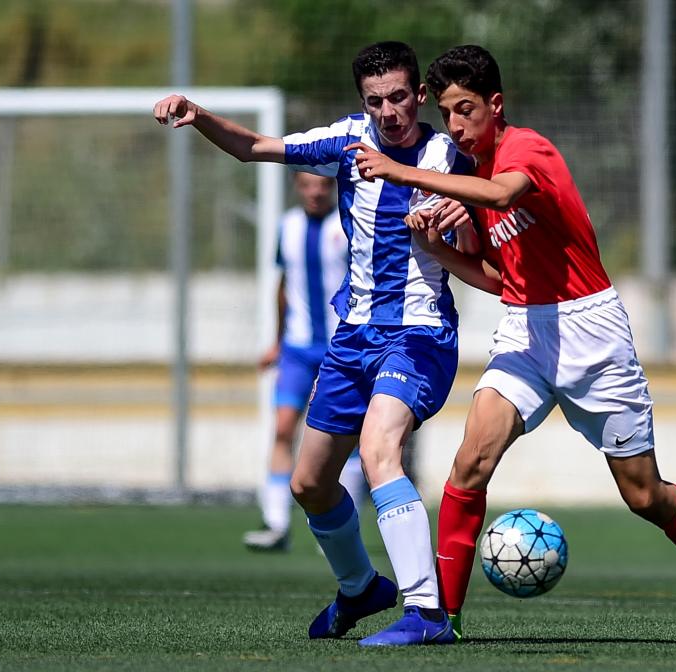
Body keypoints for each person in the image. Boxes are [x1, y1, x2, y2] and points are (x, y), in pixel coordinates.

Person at [347, 44, 676, 640]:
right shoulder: (468, 176)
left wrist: (402, 172)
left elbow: (504, 195)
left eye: (466, 109)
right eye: (447, 113)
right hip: (524, 329)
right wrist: (436, 250)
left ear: (495, 105)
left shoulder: (526, 150)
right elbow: (498, 279)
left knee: (642, 494)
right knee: (470, 463)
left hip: (592, 332)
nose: (455, 125)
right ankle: (441, 618)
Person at [153, 41, 474, 647]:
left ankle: (427, 611)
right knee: (308, 484)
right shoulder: (346, 142)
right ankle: (360, 587)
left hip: (418, 334)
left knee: (380, 450)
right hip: (351, 337)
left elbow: (499, 202)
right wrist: (199, 116)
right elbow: (254, 148)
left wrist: (463, 217)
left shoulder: (452, 156)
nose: (389, 112)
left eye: (399, 97)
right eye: (376, 101)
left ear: (420, 94)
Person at [242, 172, 366, 552]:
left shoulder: (348, 224)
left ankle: (342, 527)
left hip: (340, 348)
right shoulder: (288, 226)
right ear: (297, 186)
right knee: (283, 429)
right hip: (297, 349)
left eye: (323, 185)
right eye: (308, 185)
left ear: (332, 186)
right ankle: (276, 524)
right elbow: (284, 286)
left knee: (346, 439)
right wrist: (277, 342)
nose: (315, 192)